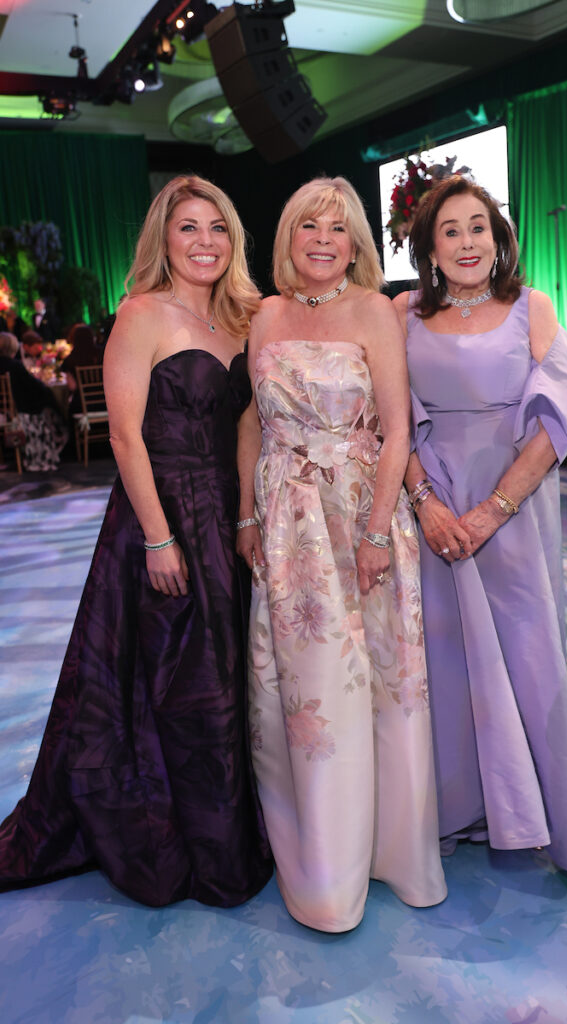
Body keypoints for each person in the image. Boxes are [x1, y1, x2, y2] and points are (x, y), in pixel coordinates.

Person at [0, 175, 272, 906]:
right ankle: (184, 837)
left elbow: (249, 423)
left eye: (217, 227)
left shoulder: (243, 318)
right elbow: (123, 435)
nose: (205, 242)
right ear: (164, 239)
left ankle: (229, 826)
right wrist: (156, 537)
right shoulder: (142, 312)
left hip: (224, 515)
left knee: (227, 674)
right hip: (161, 514)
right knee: (177, 680)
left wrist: (248, 515)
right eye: (188, 228)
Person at [237, 176, 446, 932]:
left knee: (376, 683)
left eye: (337, 228)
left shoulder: (373, 311)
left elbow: (396, 429)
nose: (322, 240)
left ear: (355, 242)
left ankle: (387, 851)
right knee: (306, 690)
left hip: (361, 516)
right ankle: (324, 867)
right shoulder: (265, 314)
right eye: (308, 227)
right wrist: (246, 514)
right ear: (288, 238)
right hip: (287, 526)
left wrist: (375, 531)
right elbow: (252, 422)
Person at [393, 174, 567, 874]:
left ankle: (541, 815)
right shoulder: (402, 313)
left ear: (497, 235)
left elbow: (556, 418)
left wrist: (493, 510)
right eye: (449, 231)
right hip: (433, 511)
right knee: (445, 664)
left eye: (476, 226)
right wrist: (426, 502)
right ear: (429, 248)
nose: (466, 242)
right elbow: (387, 418)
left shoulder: (531, 308)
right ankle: (461, 812)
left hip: (514, 508)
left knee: (527, 657)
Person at [0, 331, 68, 471]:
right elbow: (35, 386)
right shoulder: (14, 366)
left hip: (3, 410)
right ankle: (60, 445)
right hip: (19, 411)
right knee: (49, 403)